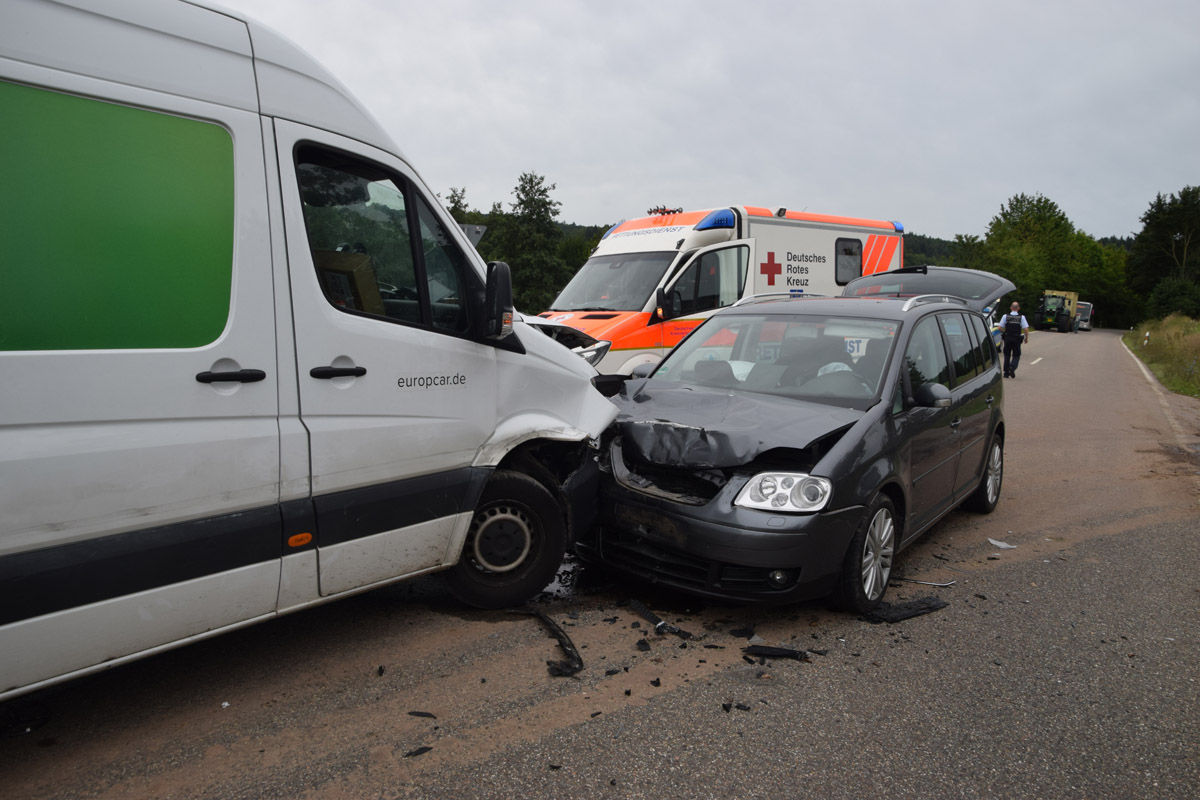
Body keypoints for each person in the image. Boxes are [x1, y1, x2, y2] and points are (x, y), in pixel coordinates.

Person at [1000, 301, 1029, 378]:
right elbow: (1025, 329)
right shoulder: (1021, 317)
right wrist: (1026, 338)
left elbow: (999, 327)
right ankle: (1012, 367)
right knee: (1016, 355)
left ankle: (1006, 373)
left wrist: (1005, 332)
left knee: (1007, 355)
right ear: (1018, 308)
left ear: (1011, 308)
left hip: (1007, 338)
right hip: (1016, 339)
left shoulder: (1005, 316)